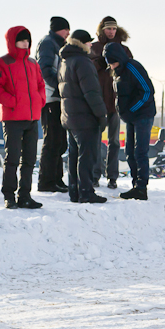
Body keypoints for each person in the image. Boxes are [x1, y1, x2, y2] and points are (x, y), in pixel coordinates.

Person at [0, 26, 46, 209]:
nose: (25, 43)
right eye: (21, 40)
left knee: (29, 159)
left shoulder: (33, 63)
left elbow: (40, 85)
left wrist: (39, 101)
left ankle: (25, 196)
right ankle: (9, 196)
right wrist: (13, 102)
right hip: (13, 118)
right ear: (12, 42)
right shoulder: (2, 63)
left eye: (27, 40)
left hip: (32, 118)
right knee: (12, 158)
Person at [59, 30, 108, 204]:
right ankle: (86, 192)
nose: (91, 45)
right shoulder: (83, 62)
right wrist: (101, 114)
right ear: (82, 43)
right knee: (87, 156)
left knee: (74, 156)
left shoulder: (65, 61)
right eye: (88, 42)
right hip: (85, 117)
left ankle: (75, 192)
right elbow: (92, 93)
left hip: (70, 117)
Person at [103, 42, 157, 200]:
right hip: (130, 118)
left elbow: (147, 91)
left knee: (140, 151)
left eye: (113, 62)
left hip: (143, 115)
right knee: (129, 152)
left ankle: (141, 187)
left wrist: (133, 109)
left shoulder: (133, 67)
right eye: (109, 63)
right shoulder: (117, 72)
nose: (111, 66)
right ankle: (135, 184)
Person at [90, 16, 132, 189]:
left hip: (116, 101)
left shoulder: (124, 49)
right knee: (95, 140)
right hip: (99, 101)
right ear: (102, 30)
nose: (111, 31)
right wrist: (102, 60)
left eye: (114, 28)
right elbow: (89, 69)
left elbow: (130, 71)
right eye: (108, 28)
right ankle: (95, 175)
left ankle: (112, 176)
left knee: (114, 141)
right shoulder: (93, 48)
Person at [36, 16, 70, 193]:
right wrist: (60, 87)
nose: (68, 33)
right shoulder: (49, 43)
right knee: (52, 140)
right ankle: (46, 181)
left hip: (57, 98)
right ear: (59, 29)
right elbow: (45, 69)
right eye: (66, 29)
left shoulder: (57, 44)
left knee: (59, 141)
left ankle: (56, 179)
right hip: (50, 98)